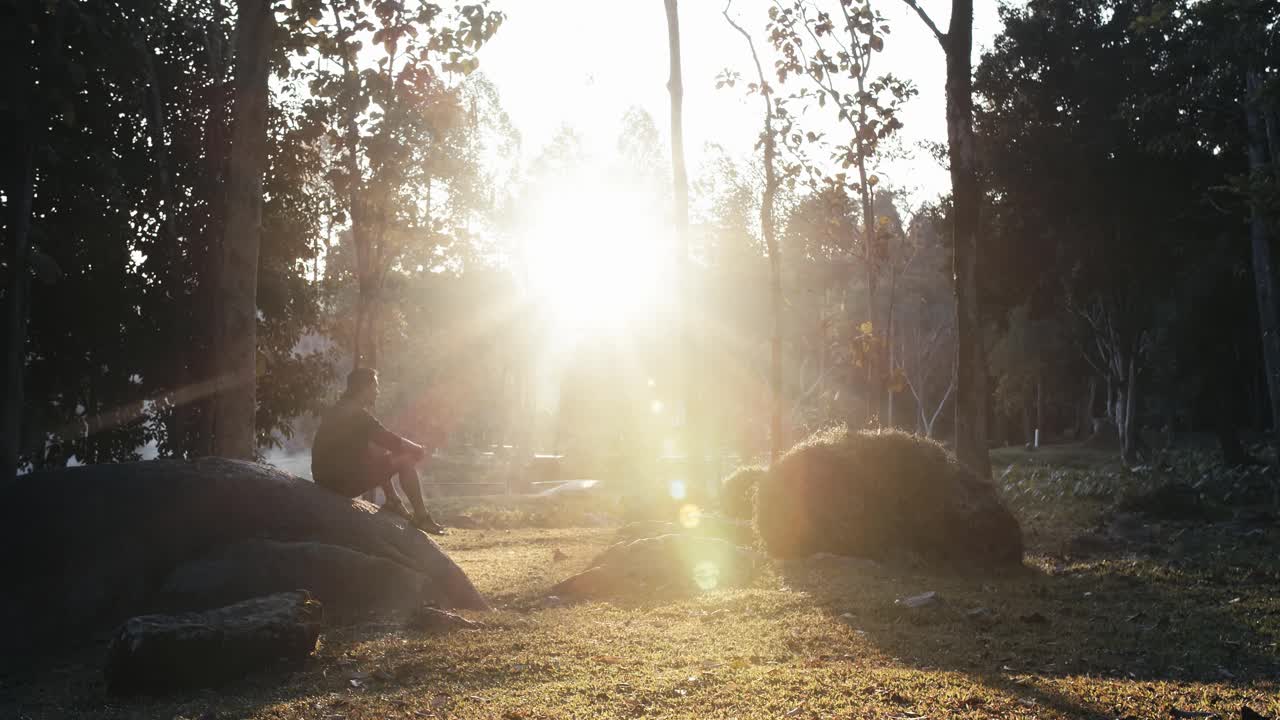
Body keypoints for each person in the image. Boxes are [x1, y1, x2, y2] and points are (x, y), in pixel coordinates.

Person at [312, 367, 446, 534]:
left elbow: (380, 445)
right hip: (341, 482)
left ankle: (393, 500)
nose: (377, 391)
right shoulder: (357, 415)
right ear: (363, 388)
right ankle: (422, 517)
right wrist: (418, 449)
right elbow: (391, 441)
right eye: (375, 386)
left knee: (376, 448)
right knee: (405, 459)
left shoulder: (341, 409)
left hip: (327, 478)